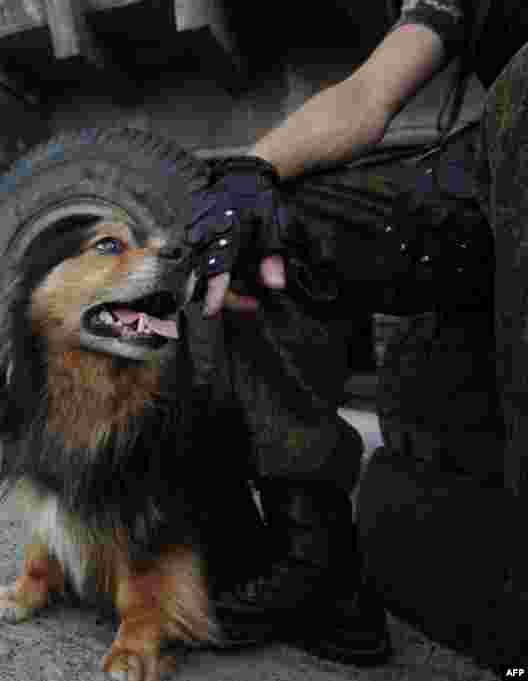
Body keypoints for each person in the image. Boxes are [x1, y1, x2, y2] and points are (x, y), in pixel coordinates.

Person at [185, 0, 527, 666]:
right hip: (493, 174)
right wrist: (249, 175)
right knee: (273, 227)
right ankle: (321, 571)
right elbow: (370, 94)